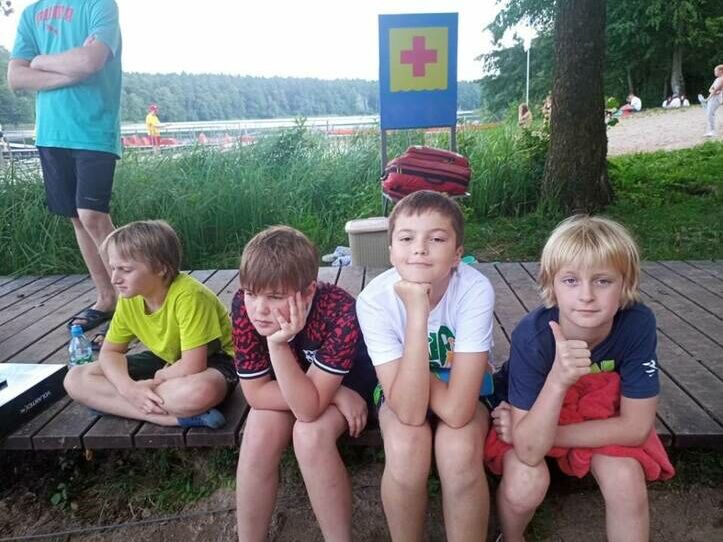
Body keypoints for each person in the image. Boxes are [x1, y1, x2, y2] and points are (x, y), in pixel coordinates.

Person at [489, 215, 673, 542]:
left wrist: (552, 436)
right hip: (532, 415)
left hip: (583, 421)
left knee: (626, 479)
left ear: (625, 284)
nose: (586, 295)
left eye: (602, 281)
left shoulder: (637, 323)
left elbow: (636, 427)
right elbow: (529, 450)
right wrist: (558, 379)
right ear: (552, 285)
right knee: (525, 483)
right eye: (571, 280)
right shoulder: (533, 337)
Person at [356, 190, 495, 542]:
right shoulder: (374, 300)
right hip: (401, 392)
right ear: (391, 251)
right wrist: (418, 311)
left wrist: (418, 375)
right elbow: (409, 411)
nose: (419, 249)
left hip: (463, 390)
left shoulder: (474, 290)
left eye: (436, 239)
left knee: (459, 450)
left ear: (457, 254)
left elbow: (459, 412)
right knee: (405, 448)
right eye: (406, 238)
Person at [233, 225, 377, 542]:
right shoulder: (244, 304)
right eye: (251, 293)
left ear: (309, 291)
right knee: (259, 430)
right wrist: (331, 395)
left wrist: (277, 346)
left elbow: (308, 411)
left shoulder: (340, 313)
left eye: (275, 297)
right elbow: (255, 394)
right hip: (314, 388)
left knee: (309, 435)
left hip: (352, 384)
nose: (258, 309)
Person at [8, 0, 122, 333]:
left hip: (94, 128)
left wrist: (41, 61)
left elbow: (91, 61)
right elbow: (16, 77)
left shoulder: (99, 5)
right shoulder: (32, 13)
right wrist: (71, 69)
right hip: (51, 132)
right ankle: (106, 298)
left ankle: (131, 304)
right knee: (77, 217)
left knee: (93, 215)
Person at [63, 220, 238, 429]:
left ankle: (111, 403)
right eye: (113, 268)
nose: (114, 279)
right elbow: (110, 352)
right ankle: (169, 417)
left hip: (215, 363)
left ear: (161, 268)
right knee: (75, 378)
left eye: (125, 270)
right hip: (167, 360)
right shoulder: (130, 299)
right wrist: (128, 388)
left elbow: (193, 365)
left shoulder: (190, 296)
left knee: (198, 392)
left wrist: (159, 377)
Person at [698, 64, 723, 137]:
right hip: (713, 97)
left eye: (716, 71)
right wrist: (712, 93)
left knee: (710, 113)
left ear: (721, 71)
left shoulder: (722, 79)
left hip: (717, 98)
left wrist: (707, 99)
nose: (714, 72)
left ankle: (712, 131)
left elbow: (716, 89)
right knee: (709, 113)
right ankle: (710, 130)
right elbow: (710, 89)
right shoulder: (716, 79)